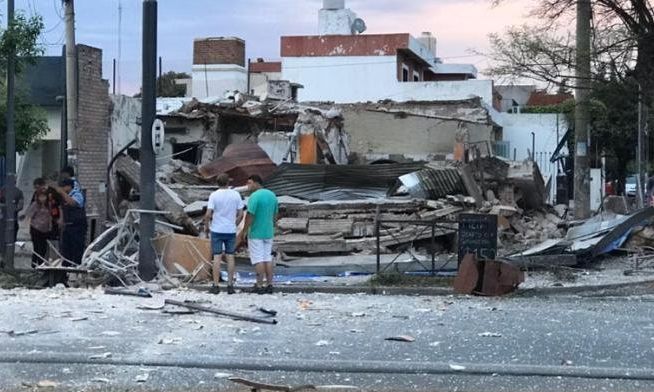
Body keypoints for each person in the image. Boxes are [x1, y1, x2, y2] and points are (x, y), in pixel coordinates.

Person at [203, 174, 244, 295]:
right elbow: (241, 213)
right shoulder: (235, 194)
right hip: (230, 230)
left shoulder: (214, 195)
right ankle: (230, 285)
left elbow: (208, 214)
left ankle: (215, 285)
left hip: (216, 229)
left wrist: (206, 227)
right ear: (228, 182)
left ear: (217, 183)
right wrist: (234, 224)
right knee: (230, 256)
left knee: (217, 257)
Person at [237, 174, 278, 294]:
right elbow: (275, 214)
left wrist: (244, 231)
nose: (248, 186)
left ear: (256, 183)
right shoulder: (272, 195)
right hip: (268, 232)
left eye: (249, 183)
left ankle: (259, 285)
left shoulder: (254, 197)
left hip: (256, 233)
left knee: (258, 259)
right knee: (267, 258)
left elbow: (250, 215)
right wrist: (271, 225)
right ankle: (270, 284)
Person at [50, 178, 87, 266]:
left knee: (76, 247)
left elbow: (73, 203)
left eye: (63, 187)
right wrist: (61, 220)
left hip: (77, 226)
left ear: (69, 186)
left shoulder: (77, 194)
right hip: (68, 225)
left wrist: (62, 193)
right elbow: (62, 208)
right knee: (66, 248)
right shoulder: (64, 197)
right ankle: (66, 266)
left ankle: (76, 265)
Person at [23, 189, 51, 268]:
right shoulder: (35, 205)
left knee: (44, 247)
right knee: (37, 247)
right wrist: (26, 227)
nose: (42, 198)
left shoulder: (49, 205)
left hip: (45, 229)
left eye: (44, 196)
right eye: (40, 197)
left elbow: (51, 216)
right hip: (35, 228)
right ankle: (35, 264)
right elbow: (29, 216)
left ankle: (41, 263)